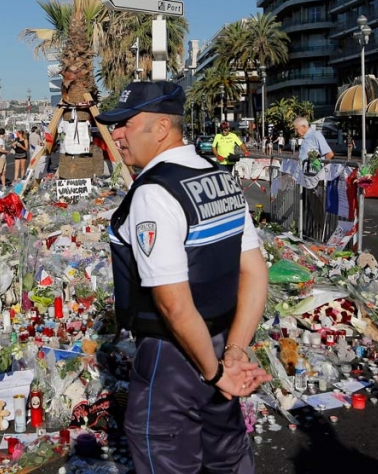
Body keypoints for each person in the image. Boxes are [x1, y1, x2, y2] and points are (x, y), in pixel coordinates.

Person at [94, 81, 271, 474]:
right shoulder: (220, 177)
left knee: (165, 455)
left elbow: (173, 304)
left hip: (171, 355)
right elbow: (256, 271)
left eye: (125, 123)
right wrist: (235, 352)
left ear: (160, 128)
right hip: (221, 341)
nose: (116, 134)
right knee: (226, 456)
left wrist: (217, 371)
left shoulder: (153, 192)